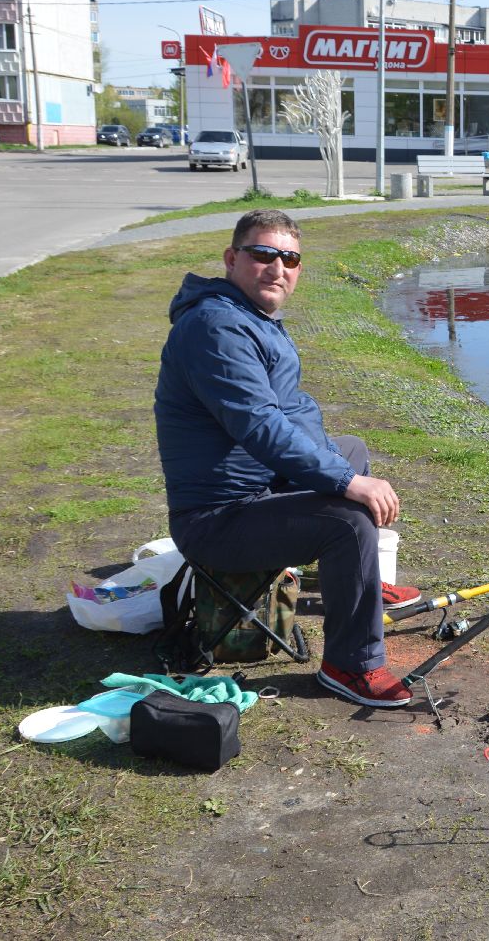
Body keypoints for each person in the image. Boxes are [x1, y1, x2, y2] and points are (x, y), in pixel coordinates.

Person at [154, 208, 421, 707]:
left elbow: (291, 412)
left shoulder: (249, 315)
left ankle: (357, 585)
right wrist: (345, 482)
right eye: (263, 254)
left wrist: (339, 467)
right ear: (233, 258)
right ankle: (350, 665)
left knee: (351, 450)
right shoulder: (216, 328)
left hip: (258, 487)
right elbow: (259, 425)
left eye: (290, 258)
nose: (277, 267)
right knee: (347, 521)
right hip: (216, 519)